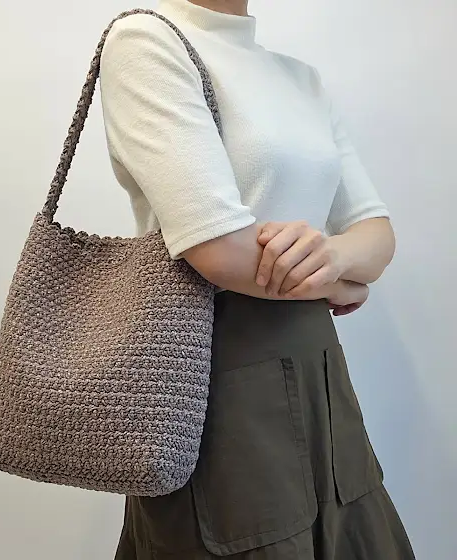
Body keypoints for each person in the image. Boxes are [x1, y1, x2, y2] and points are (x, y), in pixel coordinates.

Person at [99, 0, 415, 558]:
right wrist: (340, 283)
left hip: (319, 370)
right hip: (212, 371)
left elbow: (376, 233)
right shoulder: (147, 40)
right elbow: (216, 248)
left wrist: (336, 256)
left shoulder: (300, 78)